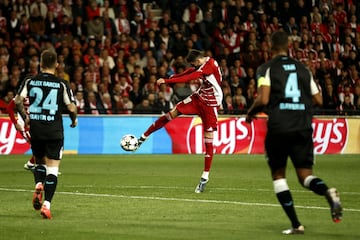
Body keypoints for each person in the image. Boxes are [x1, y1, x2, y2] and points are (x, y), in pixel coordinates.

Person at [245, 31, 342, 234]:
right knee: (305, 176)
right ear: (288, 46)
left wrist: (250, 112)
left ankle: (296, 224)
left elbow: (263, 99)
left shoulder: (266, 68)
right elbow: (319, 100)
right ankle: (328, 192)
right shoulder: (303, 69)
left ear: (270, 47)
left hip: (280, 127)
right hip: (303, 126)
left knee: (279, 175)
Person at [136, 49, 223, 193]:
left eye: (193, 63)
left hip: (211, 104)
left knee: (208, 140)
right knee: (172, 113)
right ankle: (143, 137)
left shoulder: (210, 65)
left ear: (197, 60)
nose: (193, 66)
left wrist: (168, 81)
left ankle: (205, 177)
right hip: (199, 98)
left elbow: (192, 76)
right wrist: (173, 77)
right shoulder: (202, 62)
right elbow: (189, 71)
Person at [14, 49, 78, 219]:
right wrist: (74, 119)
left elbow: (18, 101)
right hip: (54, 131)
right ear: (57, 65)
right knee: (53, 170)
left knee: (39, 163)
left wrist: (25, 117)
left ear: (40, 64)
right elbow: (71, 107)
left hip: (36, 130)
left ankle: (39, 184)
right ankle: (47, 205)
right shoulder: (62, 83)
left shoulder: (30, 81)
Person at [6, 98, 35, 171]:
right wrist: (15, 123)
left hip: (35, 125)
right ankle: (32, 165)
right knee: (40, 147)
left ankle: (31, 164)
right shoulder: (22, 94)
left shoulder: (37, 93)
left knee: (41, 147)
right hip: (24, 126)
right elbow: (9, 108)